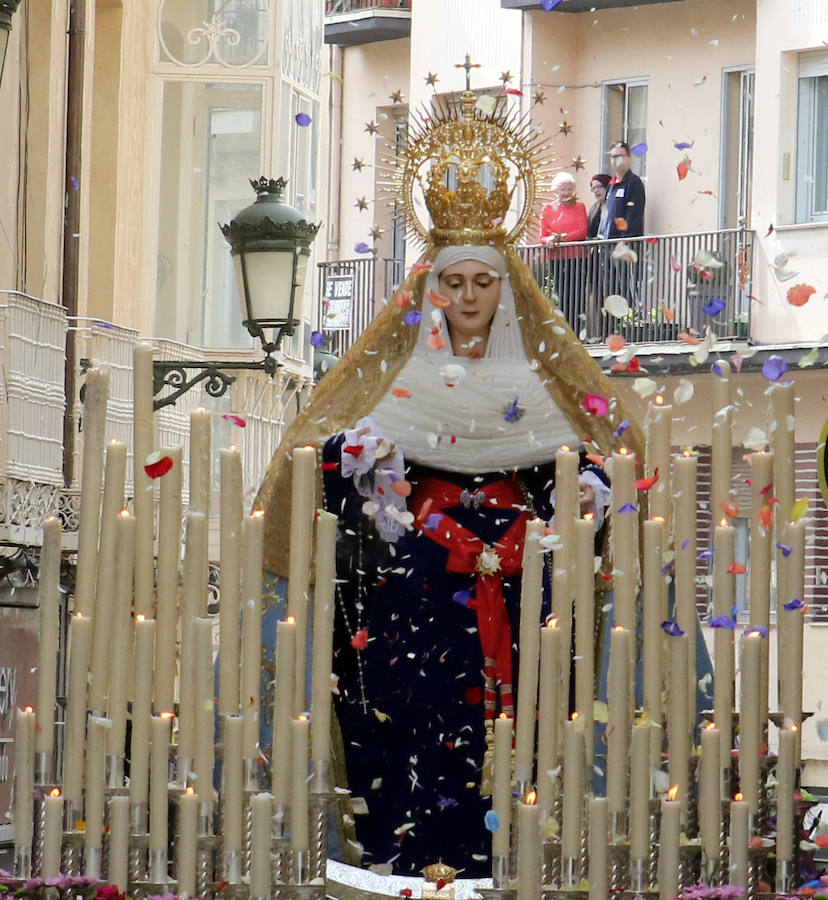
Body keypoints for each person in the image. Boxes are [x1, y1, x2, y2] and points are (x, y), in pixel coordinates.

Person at [255, 87, 645, 878]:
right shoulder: (394, 378)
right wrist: (359, 466)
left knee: (519, 735)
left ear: (506, 291)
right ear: (432, 290)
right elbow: (316, 460)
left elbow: (602, 452)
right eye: (454, 283)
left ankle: (504, 861)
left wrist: (592, 490)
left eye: (483, 283)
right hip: (418, 596)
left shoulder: (538, 380)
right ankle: (413, 860)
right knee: (412, 731)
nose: (468, 298)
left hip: (522, 592)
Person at [598, 141, 646, 309]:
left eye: (621, 156)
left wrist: (624, 242)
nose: (617, 160)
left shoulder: (634, 183)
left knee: (626, 288)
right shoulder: (611, 185)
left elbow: (633, 215)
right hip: (607, 247)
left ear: (629, 159)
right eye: (614, 157)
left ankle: (629, 327)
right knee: (611, 292)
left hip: (624, 247)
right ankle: (613, 330)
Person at [538, 171, 588, 328]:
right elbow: (542, 236)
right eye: (562, 189)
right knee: (563, 293)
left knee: (577, 294)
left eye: (569, 189)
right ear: (556, 190)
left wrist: (562, 238)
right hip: (557, 258)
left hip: (577, 257)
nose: (566, 193)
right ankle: (567, 330)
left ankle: (577, 330)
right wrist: (549, 240)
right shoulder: (547, 209)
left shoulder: (579, 207)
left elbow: (582, 230)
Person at [586, 173, 611, 340]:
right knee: (597, 295)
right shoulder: (594, 208)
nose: (596, 191)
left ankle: (610, 333)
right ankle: (601, 333)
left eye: (599, 187)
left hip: (610, 257)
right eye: (593, 188)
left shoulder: (614, 205)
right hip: (596, 258)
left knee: (610, 294)